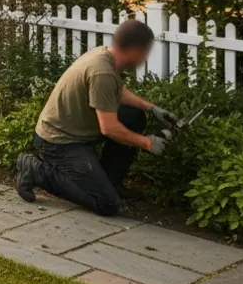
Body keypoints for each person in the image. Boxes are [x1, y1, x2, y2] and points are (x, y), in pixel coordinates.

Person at [16, 19, 178, 216]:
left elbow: (116, 91)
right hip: (59, 142)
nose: (146, 56)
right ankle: (37, 172)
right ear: (134, 49)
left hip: (77, 129)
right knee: (107, 204)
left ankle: (111, 182)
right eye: (146, 51)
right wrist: (148, 143)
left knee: (134, 117)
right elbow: (109, 128)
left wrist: (151, 108)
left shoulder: (105, 56)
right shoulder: (102, 71)